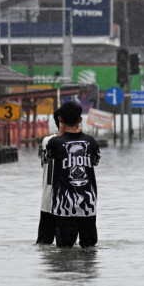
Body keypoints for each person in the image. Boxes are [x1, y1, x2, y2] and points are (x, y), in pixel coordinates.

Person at [45, 101, 101, 248]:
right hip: (87, 205)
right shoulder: (91, 142)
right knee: (89, 251)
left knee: (64, 252)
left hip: (63, 206)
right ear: (80, 119)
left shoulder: (54, 142)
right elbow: (96, 161)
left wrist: (60, 134)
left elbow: (45, 159)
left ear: (60, 119)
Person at [36, 106, 64, 244]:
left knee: (43, 242)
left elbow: (43, 164)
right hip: (66, 204)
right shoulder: (76, 142)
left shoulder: (47, 141)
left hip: (47, 201)